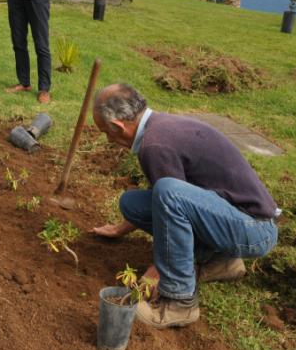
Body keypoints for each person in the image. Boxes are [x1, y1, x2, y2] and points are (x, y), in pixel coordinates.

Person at [90, 82, 281, 329]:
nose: (108, 140)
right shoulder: (160, 127)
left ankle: (180, 302)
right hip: (236, 217)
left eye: (106, 132)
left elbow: (170, 203)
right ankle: (221, 262)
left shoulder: (155, 146)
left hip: (254, 229)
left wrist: (157, 271)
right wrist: (120, 229)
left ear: (118, 126)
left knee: (168, 194)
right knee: (132, 203)